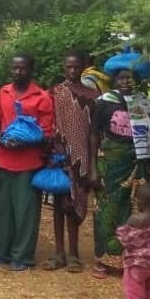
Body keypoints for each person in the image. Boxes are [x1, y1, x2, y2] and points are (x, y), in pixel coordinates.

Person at [88, 52, 150, 278]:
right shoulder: (104, 102)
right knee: (106, 209)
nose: (126, 82)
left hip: (138, 164)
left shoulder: (145, 103)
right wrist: (93, 168)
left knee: (134, 209)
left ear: (138, 79)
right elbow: (93, 135)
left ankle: (131, 259)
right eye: (121, 77)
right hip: (110, 164)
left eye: (130, 77)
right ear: (114, 79)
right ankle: (103, 258)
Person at [0, 53, 54, 271]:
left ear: (30, 70)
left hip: (28, 164)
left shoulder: (42, 97)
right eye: (15, 68)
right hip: (2, 160)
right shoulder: (3, 92)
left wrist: (26, 141)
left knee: (26, 213)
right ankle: (0, 252)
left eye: (23, 68)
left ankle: (22, 256)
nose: (18, 72)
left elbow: (47, 133)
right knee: (1, 211)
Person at [43, 50, 98, 273]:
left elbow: (94, 131)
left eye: (76, 67)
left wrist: (93, 163)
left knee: (75, 205)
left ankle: (74, 254)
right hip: (59, 156)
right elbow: (49, 123)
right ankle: (59, 253)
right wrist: (52, 152)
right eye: (69, 67)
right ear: (63, 67)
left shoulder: (93, 95)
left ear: (84, 66)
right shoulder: (55, 92)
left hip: (82, 157)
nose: (72, 71)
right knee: (59, 204)